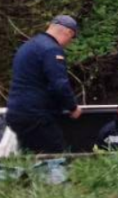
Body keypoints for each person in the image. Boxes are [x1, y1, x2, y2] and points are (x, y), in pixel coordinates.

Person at [5, 15, 83, 153]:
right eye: (71, 39)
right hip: (36, 115)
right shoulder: (51, 49)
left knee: (33, 157)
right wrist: (72, 107)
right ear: (68, 33)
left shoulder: (28, 46)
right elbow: (60, 84)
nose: (68, 43)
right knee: (56, 157)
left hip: (17, 112)